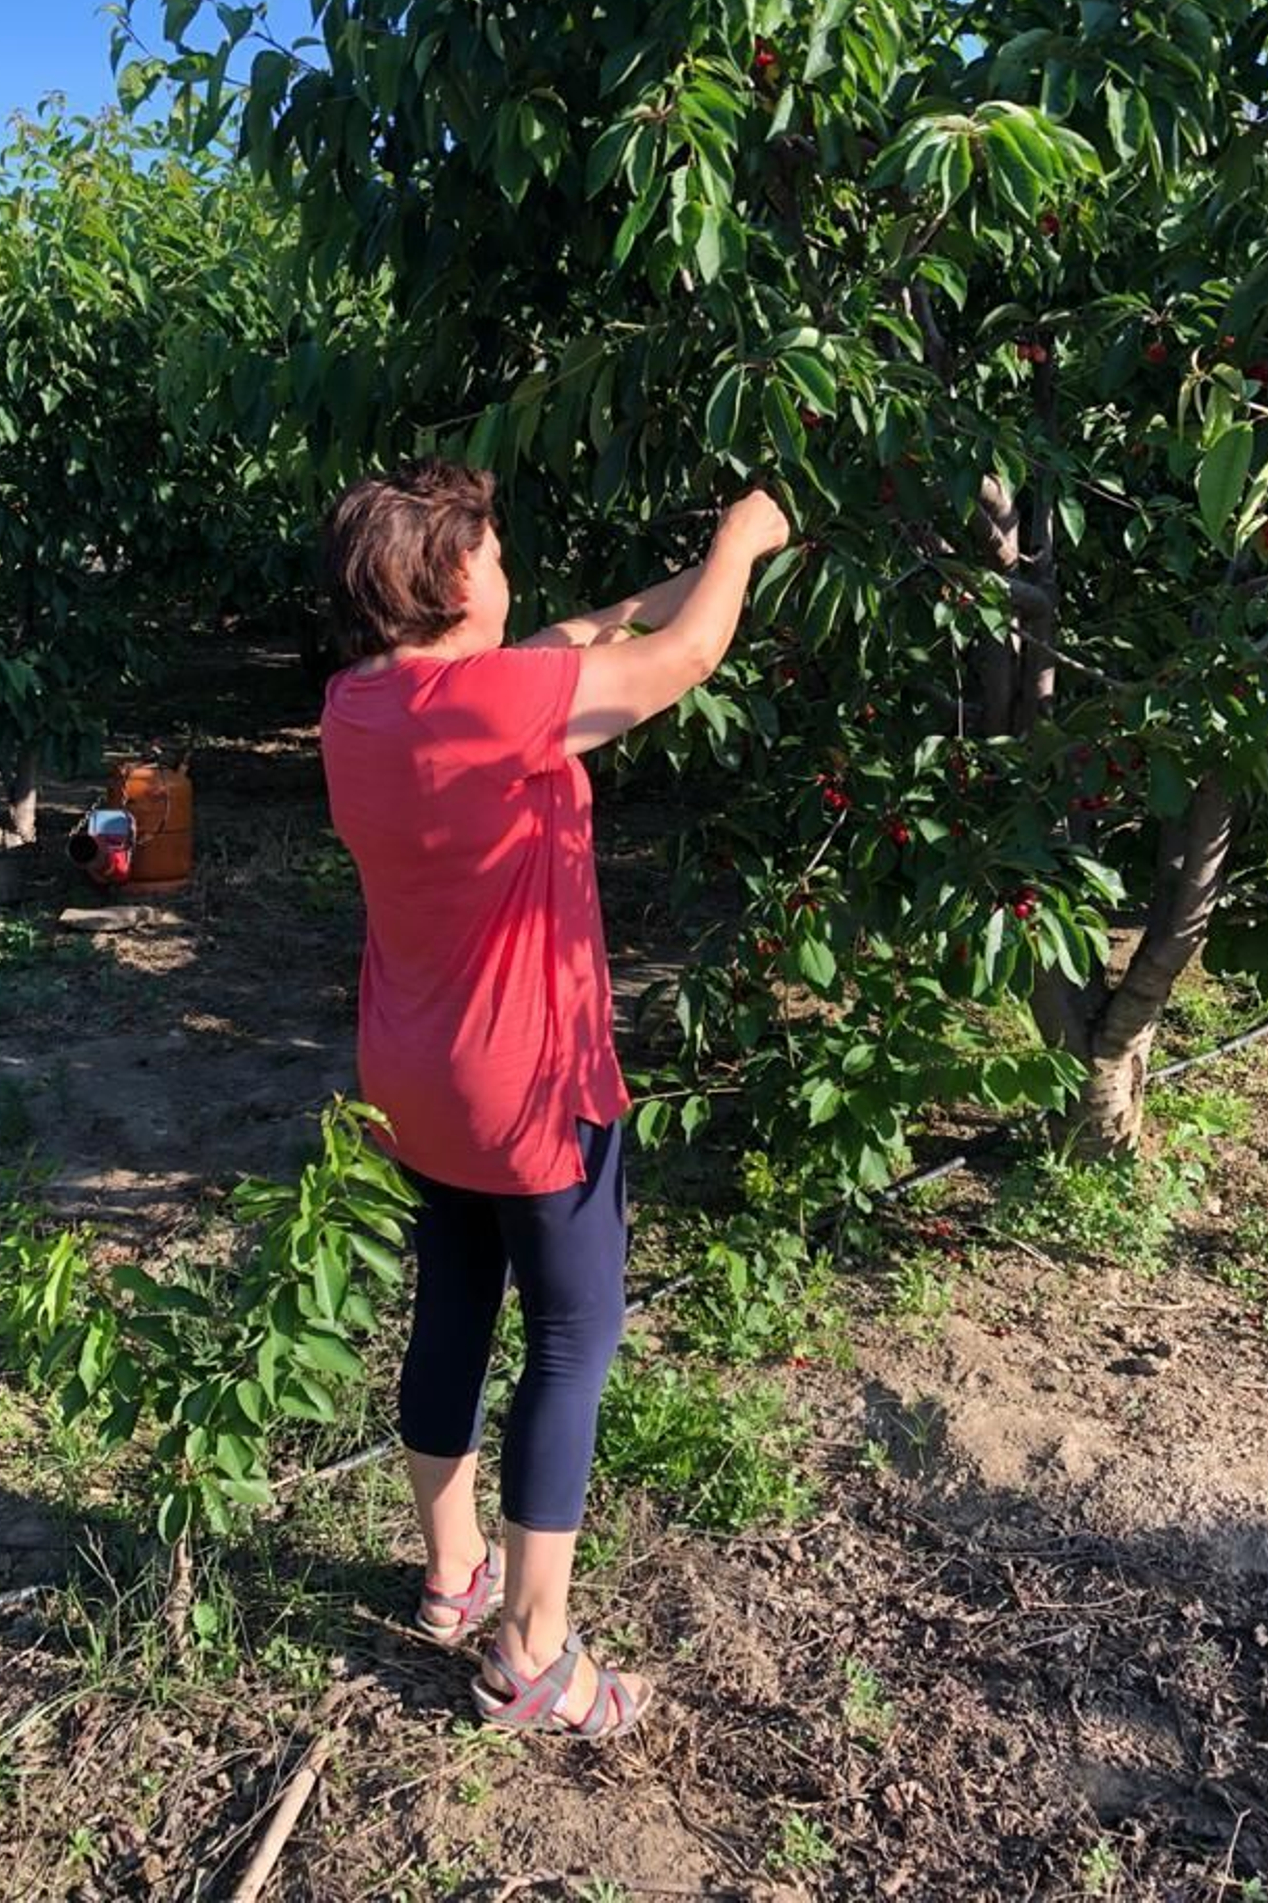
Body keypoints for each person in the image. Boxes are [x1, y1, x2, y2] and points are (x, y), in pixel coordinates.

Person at [318, 459, 790, 1739]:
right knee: (572, 1339)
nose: (510, 569)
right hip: (528, 1081)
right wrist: (741, 540)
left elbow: (554, 651)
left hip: (412, 1078)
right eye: (494, 548)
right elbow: (685, 658)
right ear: (454, 576)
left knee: (454, 1303)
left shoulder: (360, 705)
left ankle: (450, 1573)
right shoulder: (502, 703)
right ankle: (532, 1652)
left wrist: (648, 591)